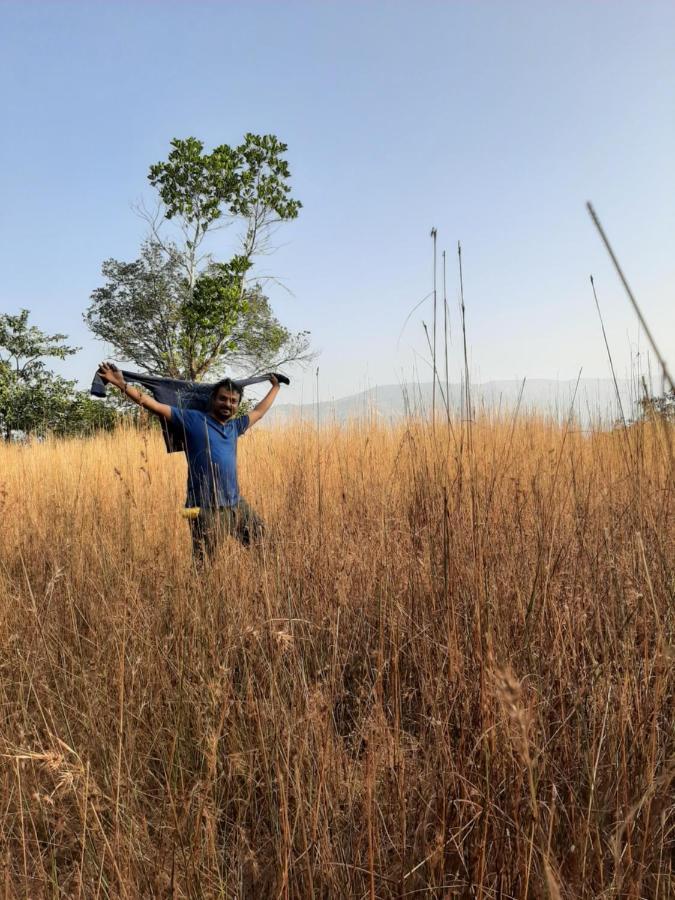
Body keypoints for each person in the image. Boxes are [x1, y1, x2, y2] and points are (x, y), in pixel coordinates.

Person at [97, 362, 280, 559]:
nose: (228, 404)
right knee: (203, 567)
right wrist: (120, 384)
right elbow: (153, 405)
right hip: (202, 508)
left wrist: (275, 387)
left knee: (266, 544)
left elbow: (259, 413)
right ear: (212, 399)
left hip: (235, 504)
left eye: (233, 401)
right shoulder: (192, 420)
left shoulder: (235, 427)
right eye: (223, 399)